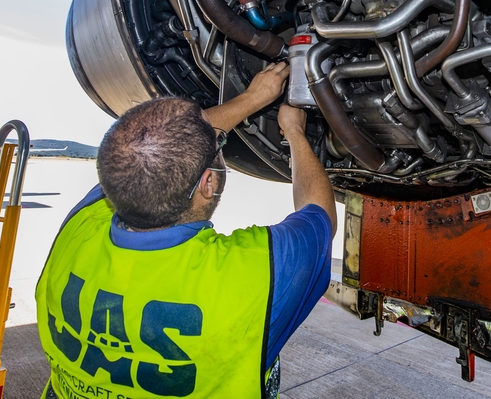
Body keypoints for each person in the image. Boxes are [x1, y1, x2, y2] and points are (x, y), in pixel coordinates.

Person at [36, 62, 337, 399]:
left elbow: (164, 142)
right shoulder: (252, 273)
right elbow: (319, 215)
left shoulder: (80, 227)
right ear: (208, 183)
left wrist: (253, 98)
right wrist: (294, 131)